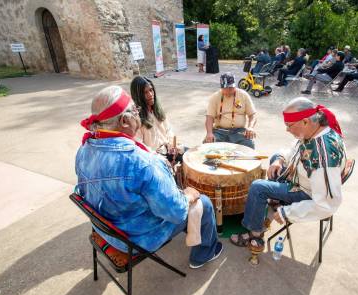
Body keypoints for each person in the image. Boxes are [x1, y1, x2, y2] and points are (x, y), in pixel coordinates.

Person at [76, 85, 223, 269]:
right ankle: (203, 254)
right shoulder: (142, 163)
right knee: (205, 203)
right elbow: (176, 212)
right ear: (124, 121)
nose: (138, 112)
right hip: (137, 238)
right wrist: (188, 195)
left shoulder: (84, 149)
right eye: (134, 110)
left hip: (106, 229)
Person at [229, 97, 346, 251]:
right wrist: (279, 160)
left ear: (305, 122)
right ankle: (275, 200)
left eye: (289, 125)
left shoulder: (322, 156)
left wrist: (288, 213)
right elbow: (296, 149)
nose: (287, 130)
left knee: (258, 187)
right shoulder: (317, 129)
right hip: (304, 179)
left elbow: (327, 204)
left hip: (307, 193)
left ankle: (254, 233)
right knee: (275, 157)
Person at [130, 76, 183, 161]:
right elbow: (139, 147)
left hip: (167, 151)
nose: (150, 94)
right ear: (138, 96)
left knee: (190, 156)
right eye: (145, 92)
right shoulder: (136, 118)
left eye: (151, 90)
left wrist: (172, 145)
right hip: (153, 159)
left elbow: (168, 130)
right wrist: (158, 157)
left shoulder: (157, 110)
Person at [205, 73, 257, 148]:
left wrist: (250, 127)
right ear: (221, 87)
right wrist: (209, 133)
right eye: (226, 88)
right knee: (207, 145)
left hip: (239, 131)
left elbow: (253, 115)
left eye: (231, 88)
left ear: (235, 86)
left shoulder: (243, 95)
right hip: (219, 131)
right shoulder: (215, 97)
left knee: (249, 145)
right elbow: (209, 117)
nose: (229, 91)